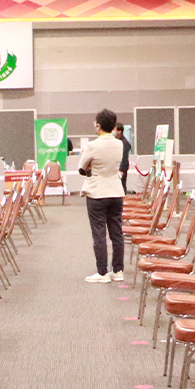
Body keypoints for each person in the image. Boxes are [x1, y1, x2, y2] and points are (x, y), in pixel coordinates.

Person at [76, 107, 127, 283]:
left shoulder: (92, 145)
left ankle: (102, 272)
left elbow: (81, 167)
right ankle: (118, 270)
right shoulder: (119, 144)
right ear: (113, 126)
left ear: (98, 125)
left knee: (99, 233)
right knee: (116, 232)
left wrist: (90, 168)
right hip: (116, 191)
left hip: (97, 192)